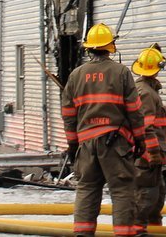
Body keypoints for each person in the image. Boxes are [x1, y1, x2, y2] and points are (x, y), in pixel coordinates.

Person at [61, 23, 146, 237]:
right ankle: (124, 233)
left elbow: (68, 115)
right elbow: (134, 111)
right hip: (116, 145)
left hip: (86, 145)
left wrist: (73, 144)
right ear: (111, 47)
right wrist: (140, 139)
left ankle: (82, 234)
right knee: (122, 190)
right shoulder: (121, 73)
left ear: (88, 48)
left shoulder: (76, 75)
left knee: (87, 189)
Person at [131, 44, 166, 233]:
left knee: (156, 198)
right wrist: (153, 153)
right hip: (147, 158)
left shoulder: (147, 90)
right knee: (146, 199)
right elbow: (146, 127)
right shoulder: (146, 93)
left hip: (152, 157)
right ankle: (138, 232)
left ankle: (155, 232)